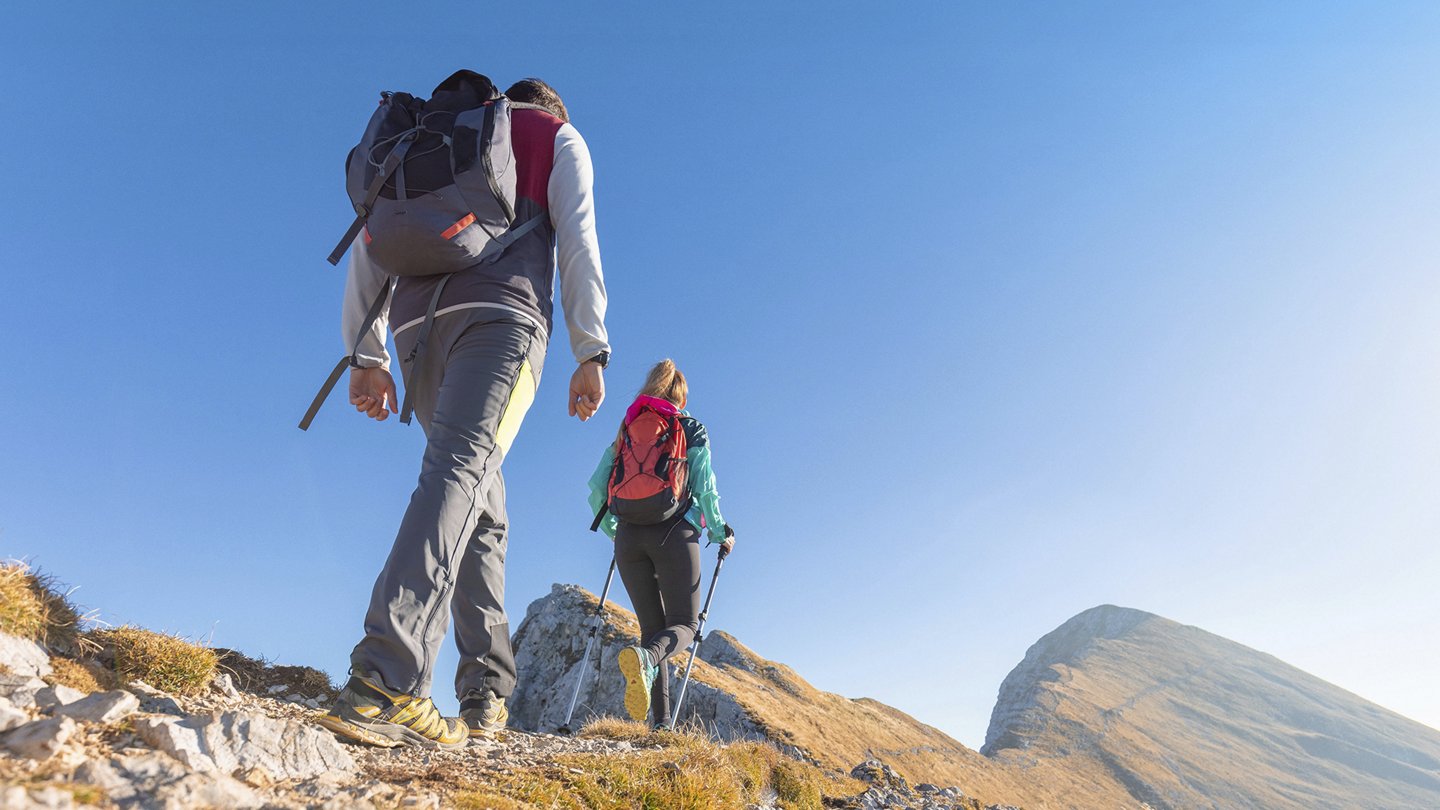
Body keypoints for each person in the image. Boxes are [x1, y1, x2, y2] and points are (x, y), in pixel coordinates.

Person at [317, 76, 611, 750]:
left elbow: (372, 238)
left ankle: (484, 696)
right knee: (458, 473)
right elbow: (579, 240)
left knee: (480, 499)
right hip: (502, 322)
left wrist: (367, 354)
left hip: (417, 333)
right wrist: (591, 348)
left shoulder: (449, 140)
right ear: (554, 108)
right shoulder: (555, 137)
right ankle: (386, 678)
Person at [587, 360, 734, 728]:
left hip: (628, 538)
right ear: (679, 396)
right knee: (683, 624)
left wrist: (616, 531)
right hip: (674, 533)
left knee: (652, 630)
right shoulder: (689, 427)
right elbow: (705, 488)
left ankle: (661, 724)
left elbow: (595, 490)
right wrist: (720, 533)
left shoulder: (626, 432)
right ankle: (649, 663)